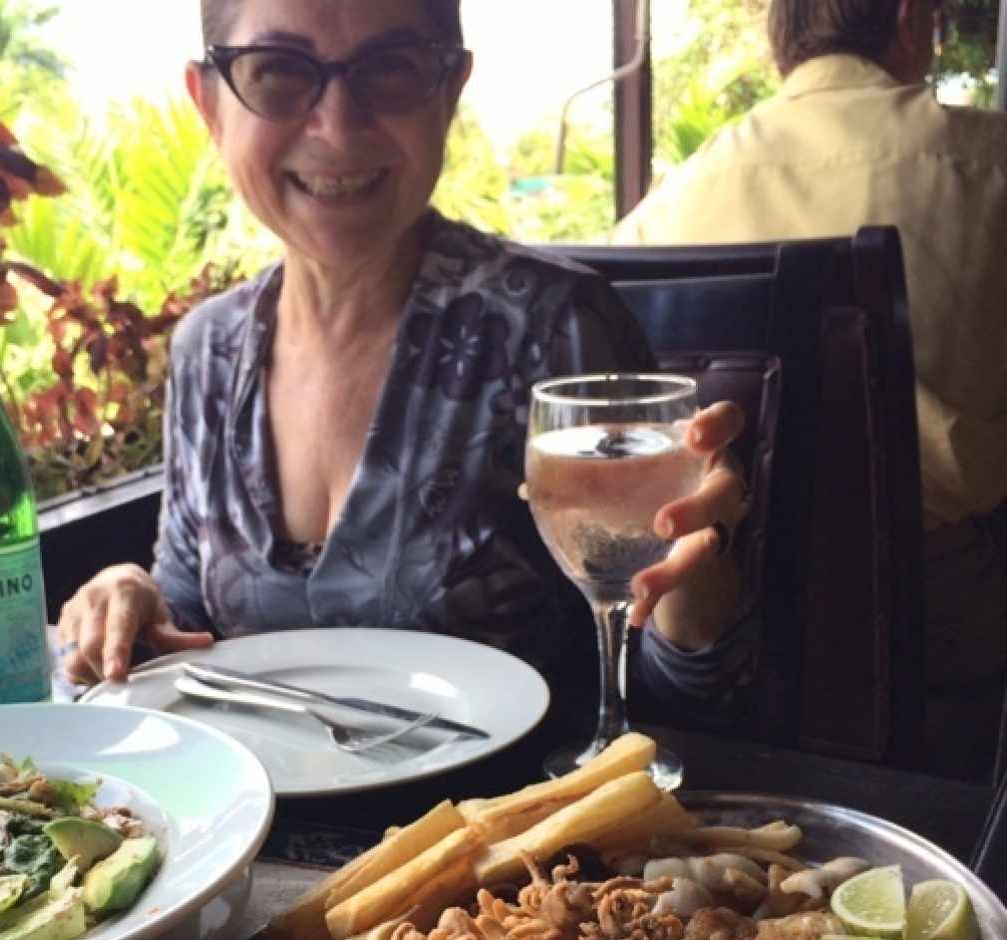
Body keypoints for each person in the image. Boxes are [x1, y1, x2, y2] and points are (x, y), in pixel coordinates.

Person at [58, 0, 749, 721]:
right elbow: (191, 626)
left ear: (449, 91)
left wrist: (694, 584)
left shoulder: (554, 329)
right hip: (257, 824)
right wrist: (129, 593)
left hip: (504, 826)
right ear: (210, 104)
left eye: (391, 68)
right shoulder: (208, 349)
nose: (337, 124)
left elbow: (680, 702)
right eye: (277, 72)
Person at [611, 0, 1007, 756]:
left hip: (718, 621)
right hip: (947, 613)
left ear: (778, 43)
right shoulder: (989, 165)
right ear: (908, 20)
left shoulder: (673, 198)